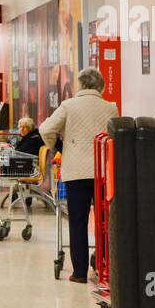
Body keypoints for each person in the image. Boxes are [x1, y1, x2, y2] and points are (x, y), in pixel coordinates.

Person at [38, 66, 119, 283]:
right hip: (102, 172)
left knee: (78, 222)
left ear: (80, 84)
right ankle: (104, 267)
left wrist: (56, 147)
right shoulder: (111, 108)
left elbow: (45, 129)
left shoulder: (68, 105)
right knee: (104, 221)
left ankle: (80, 272)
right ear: (100, 85)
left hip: (75, 172)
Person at [0, 117, 47, 210]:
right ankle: (7, 196)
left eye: (24, 127)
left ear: (30, 127)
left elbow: (21, 153)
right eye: (20, 127)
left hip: (26, 168)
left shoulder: (32, 139)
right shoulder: (31, 137)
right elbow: (21, 152)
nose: (21, 130)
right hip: (24, 165)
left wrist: (7, 154)